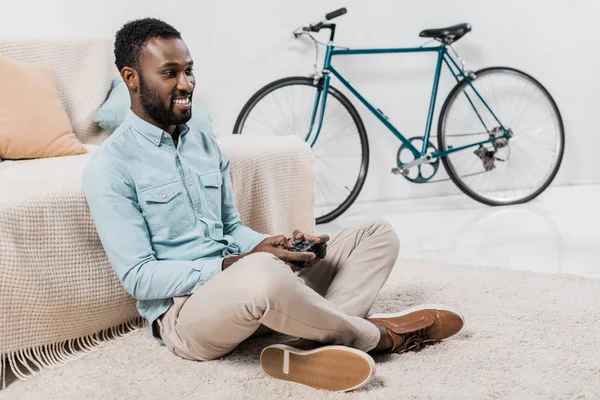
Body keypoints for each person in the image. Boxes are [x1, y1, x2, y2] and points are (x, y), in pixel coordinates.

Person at [82, 18, 464, 393]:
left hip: (253, 287)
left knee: (376, 234)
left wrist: (275, 244)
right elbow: (139, 277)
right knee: (263, 271)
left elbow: (231, 228)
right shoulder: (110, 167)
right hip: (188, 316)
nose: (187, 85)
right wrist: (232, 266)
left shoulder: (201, 141)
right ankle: (379, 336)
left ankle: (306, 348)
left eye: (189, 70)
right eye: (170, 73)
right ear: (131, 78)